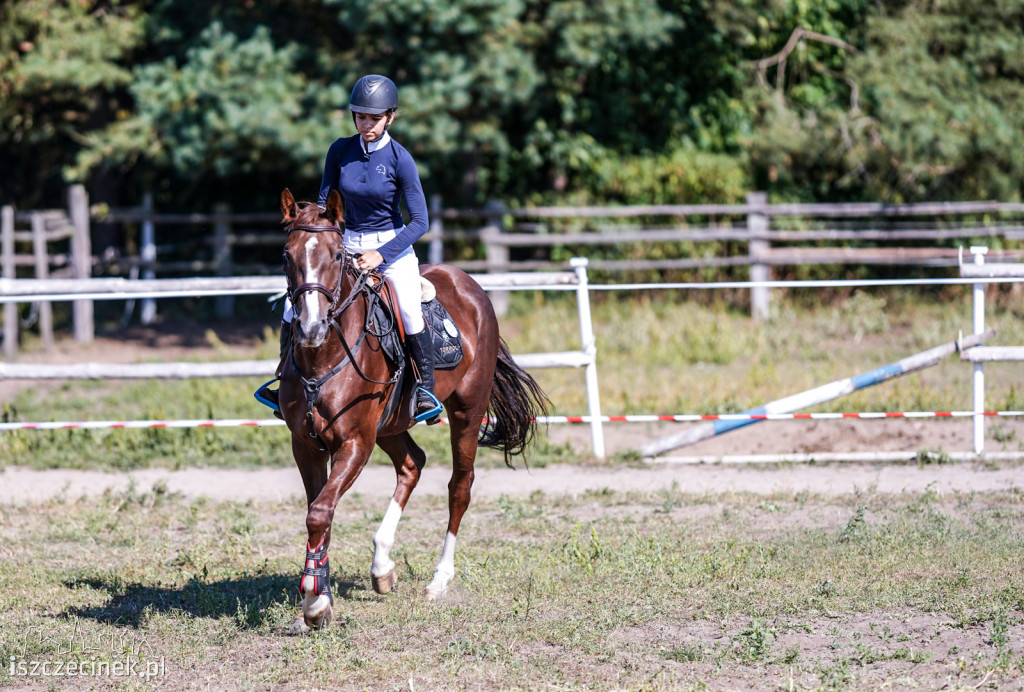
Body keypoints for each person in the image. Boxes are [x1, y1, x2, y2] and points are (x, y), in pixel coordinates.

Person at [256, 74, 442, 423]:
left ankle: (424, 391)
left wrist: (382, 255)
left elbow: (420, 221)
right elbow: (326, 202)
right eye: (361, 117)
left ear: (390, 117)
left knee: (409, 309)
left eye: (374, 118)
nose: (366, 124)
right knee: (290, 308)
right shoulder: (340, 150)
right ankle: (283, 383)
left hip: (391, 247)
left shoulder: (401, 159)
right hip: (344, 244)